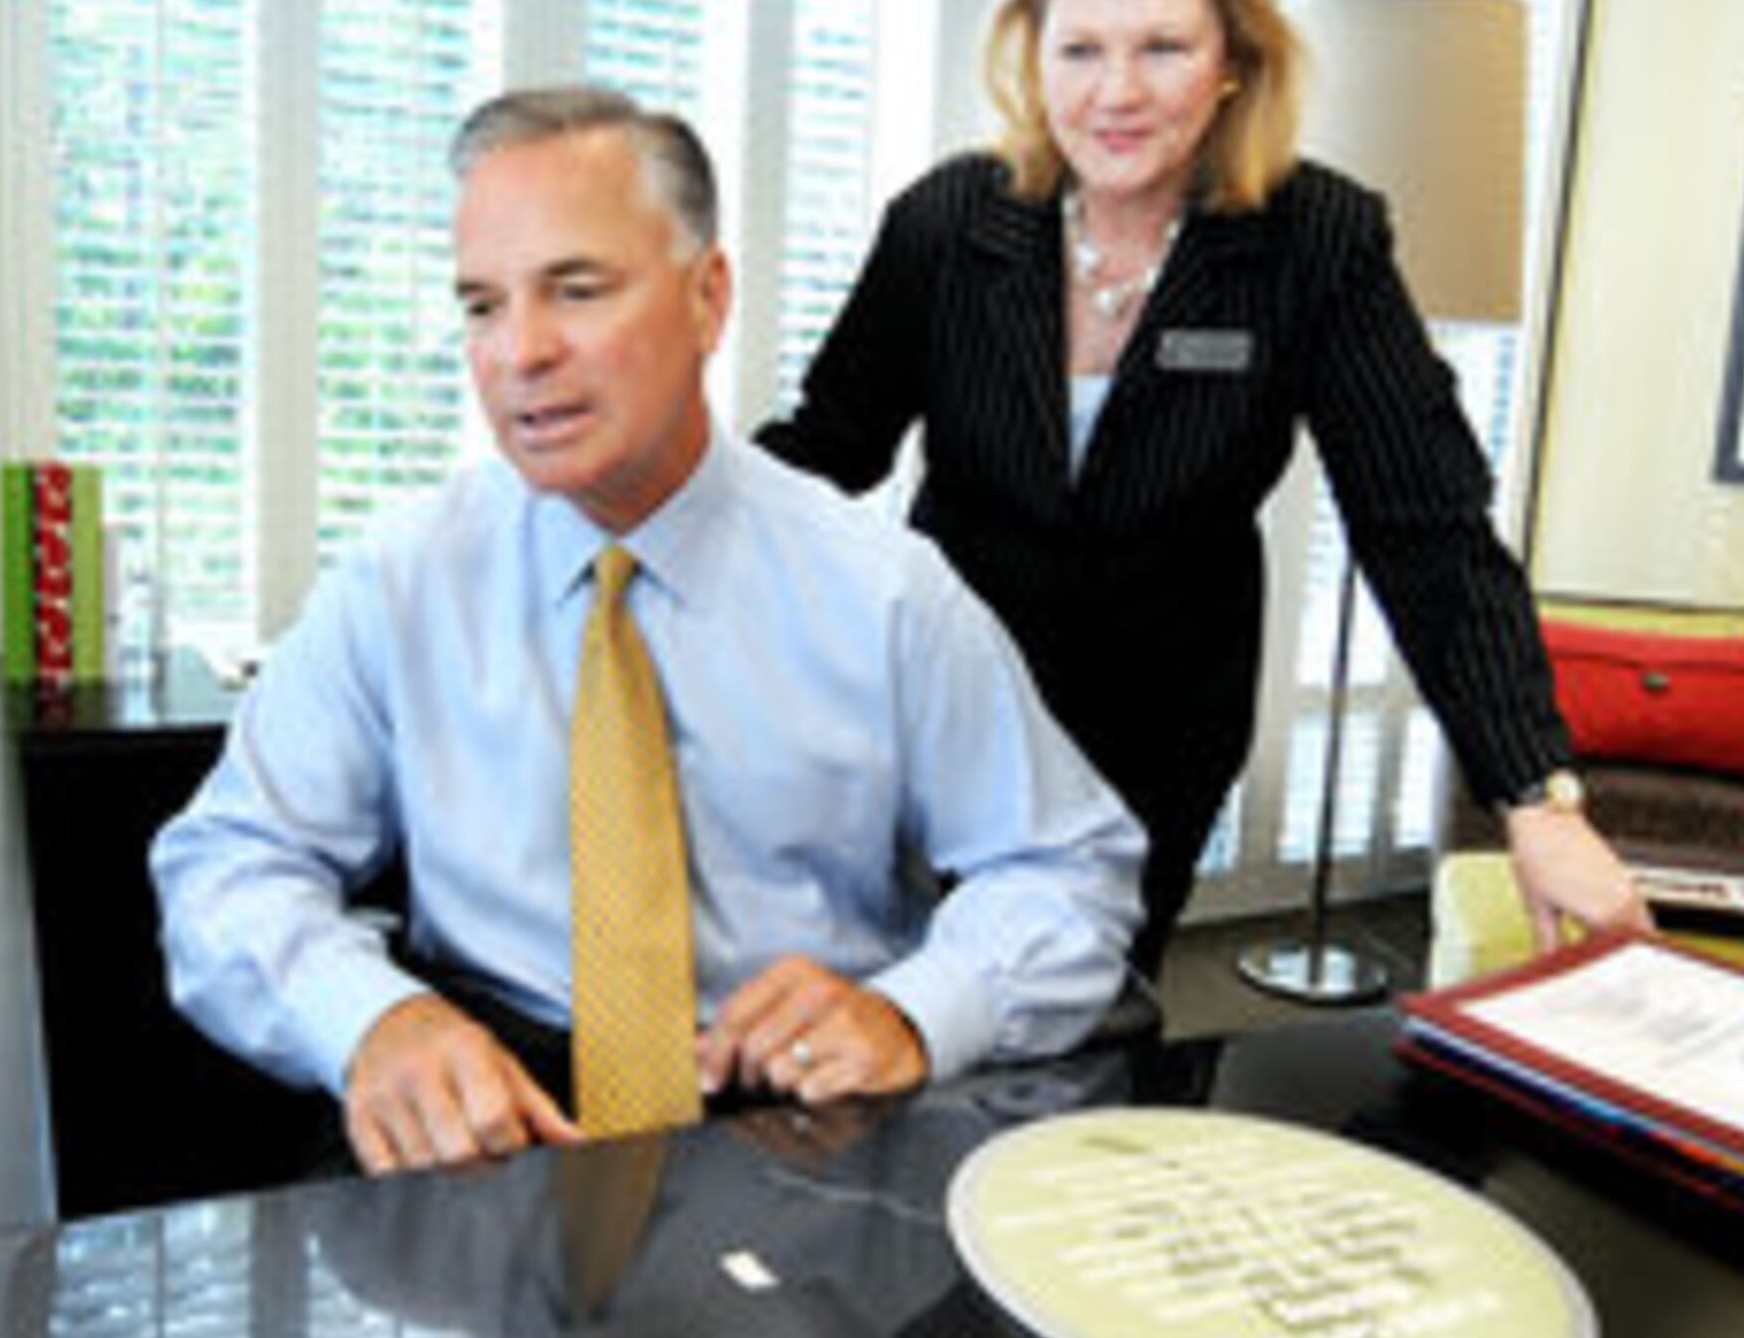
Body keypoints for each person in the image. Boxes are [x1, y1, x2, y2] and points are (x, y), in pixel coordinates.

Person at [153, 85, 1145, 1175]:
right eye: (482, 306)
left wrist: (914, 1013)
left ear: (708, 298)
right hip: (500, 1130)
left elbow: (1069, 868)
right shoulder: (398, 586)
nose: (519, 352)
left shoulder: (885, 592)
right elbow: (227, 865)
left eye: (575, 290)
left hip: (803, 1130)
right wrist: (371, 1020)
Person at [759, 0, 1643, 971]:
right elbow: (826, 449)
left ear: (1234, 57)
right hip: (943, 713)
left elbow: (1425, 526)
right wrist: (657, 505)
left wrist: (1537, 795)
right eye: (1080, 48)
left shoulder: (1315, 242)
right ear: (1033, 53)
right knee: (902, 1005)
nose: (1115, 92)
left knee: (1085, 1015)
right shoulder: (947, 225)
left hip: (1156, 732)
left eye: (1163, 46)